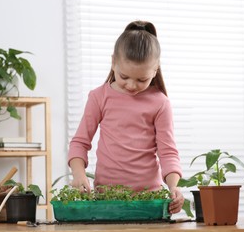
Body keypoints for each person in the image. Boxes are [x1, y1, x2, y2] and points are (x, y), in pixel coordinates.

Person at [68, 20, 184, 214]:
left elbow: (168, 152)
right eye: (124, 77)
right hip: (107, 200)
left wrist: (173, 187)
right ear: (113, 62)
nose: (131, 85)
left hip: (149, 200)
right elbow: (79, 143)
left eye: (142, 80)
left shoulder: (160, 103)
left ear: (155, 69)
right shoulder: (99, 97)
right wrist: (79, 175)